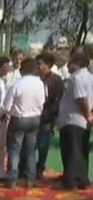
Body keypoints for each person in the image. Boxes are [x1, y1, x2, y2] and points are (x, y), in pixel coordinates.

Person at [2, 58, 46, 189]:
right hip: (34, 118)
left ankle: (12, 178)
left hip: (19, 118)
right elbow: (42, 102)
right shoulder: (40, 84)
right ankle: (30, 179)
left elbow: (6, 106)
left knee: (15, 149)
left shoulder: (17, 84)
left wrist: (7, 113)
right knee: (31, 149)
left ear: (23, 70)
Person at [57, 52, 93, 190]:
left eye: (71, 62)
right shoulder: (90, 77)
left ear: (77, 63)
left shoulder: (77, 78)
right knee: (82, 149)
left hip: (73, 118)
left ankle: (72, 180)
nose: (68, 65)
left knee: (72, 150)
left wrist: (87, 114)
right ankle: (82, 178)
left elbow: (81, 98)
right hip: (83, 120)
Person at [35, 52, 64, 180]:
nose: (38, 66)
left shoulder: (56, 80)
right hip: (33, 116)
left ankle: (39, 168)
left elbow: (59, 100)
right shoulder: (34, 78)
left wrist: (53, 117)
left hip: (47, 118)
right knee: (30, 146)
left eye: (40, 64)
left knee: (43, 146)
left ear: (49, 65)